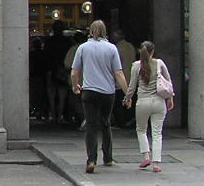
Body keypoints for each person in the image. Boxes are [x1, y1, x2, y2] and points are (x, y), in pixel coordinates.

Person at [70, 20, 127, 173]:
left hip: (89, 91)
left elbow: (74, 72)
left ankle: (91, 160)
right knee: (105, 123)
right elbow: (118, 73)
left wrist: (75, 86)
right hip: (108, 92)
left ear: (91, 31)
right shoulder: (112, 48)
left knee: (91, 125)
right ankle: (108, 158)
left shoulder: (83, 48)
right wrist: (127, 93)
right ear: (104, 31)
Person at [124, 41, 174, 173]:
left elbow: (132, 87)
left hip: (143, 102)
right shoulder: (159, 63)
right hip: (159, 102)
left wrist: (127, 98)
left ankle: (146, 156)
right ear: (153, 51)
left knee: (141, 130)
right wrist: (170, 98)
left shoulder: (136, 66)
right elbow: (168, 82)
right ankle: (156, 164)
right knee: (157, 133)